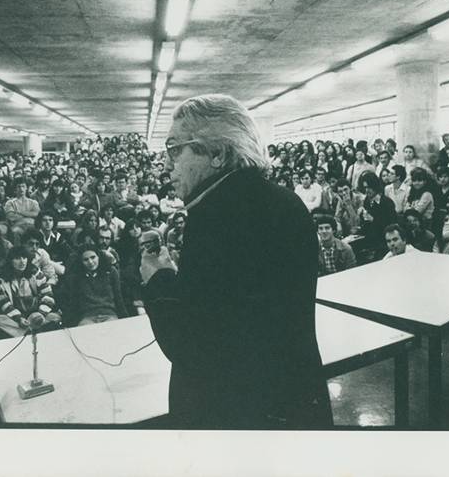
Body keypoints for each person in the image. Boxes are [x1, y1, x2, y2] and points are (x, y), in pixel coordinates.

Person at [139, 94, 331, 428]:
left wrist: (158, 279)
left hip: (235, 410)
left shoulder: (214, 217)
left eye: (174, 148)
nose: (166, 163)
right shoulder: (285, 201)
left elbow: (195, 347)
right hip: (291, 395)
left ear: (217, 153)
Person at [0, 246, 62, 337]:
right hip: (17, 318)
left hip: (37, 313)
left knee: (54, 317)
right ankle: (31, 332)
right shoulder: (2, 279)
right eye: (17, 258)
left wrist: (41, 313)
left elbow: (48, 296)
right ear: (10, 261)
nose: (22, 262)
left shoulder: (36, 273)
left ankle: (24, 332)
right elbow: (5, 303)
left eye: (24, 258)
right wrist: (19, 318)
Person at [59, 246, 127, 326]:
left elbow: (119, 298)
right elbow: (73, 303)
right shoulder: (76, 278)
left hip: (109, 315)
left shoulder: (111, 272)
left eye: (93, 257)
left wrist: (125, 320)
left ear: (99, 257)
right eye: (86, 260)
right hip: (87, 317)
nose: (90, 262)